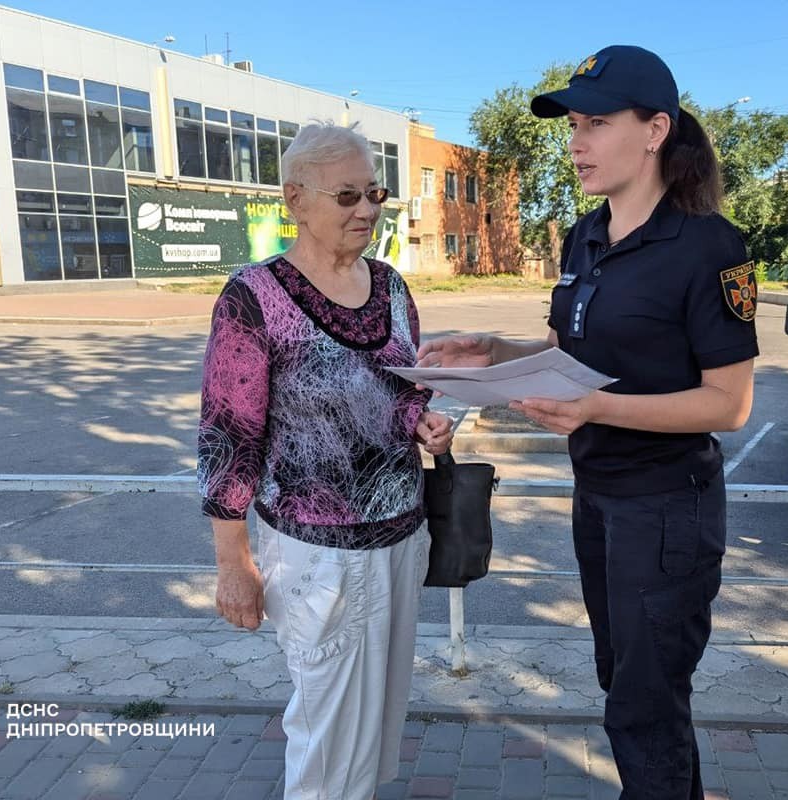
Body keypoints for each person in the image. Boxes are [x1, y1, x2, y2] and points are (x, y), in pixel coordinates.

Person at [417, 45, 757, 799]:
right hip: (598, 496)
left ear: (655, 129)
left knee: (643, 702)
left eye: (596, 123)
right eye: (573, 124)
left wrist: (600, 407)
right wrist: (493, 350)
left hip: (668, 508)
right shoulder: (585, 235)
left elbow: (729, 405)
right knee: (630, 682)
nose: (575, 142)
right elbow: (569, 350)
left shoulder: (708, 246)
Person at [197, 122, 453, 800]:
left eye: (375, 192)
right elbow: (228, 437)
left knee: (374, 731)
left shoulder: (394, 287)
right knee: (325, 739)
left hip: (402, 537)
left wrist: (420, 421)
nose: (367, 210)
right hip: (316, 559)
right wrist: (233, 566)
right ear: (296, 200)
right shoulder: (254, 297)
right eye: (347, 196)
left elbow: (401, 385)